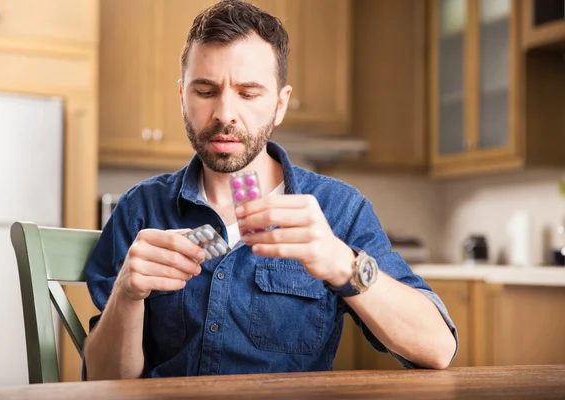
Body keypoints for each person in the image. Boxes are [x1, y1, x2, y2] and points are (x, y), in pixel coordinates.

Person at [83, 0, 458, 380]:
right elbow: (100, 381)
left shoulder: (339, 209)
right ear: (182, 97)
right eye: (206, 90)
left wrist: (343, 264)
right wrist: (128, 294)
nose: (225, 113)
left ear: (280, 105)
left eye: (248, 93)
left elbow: (438, 348)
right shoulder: (139, 209)